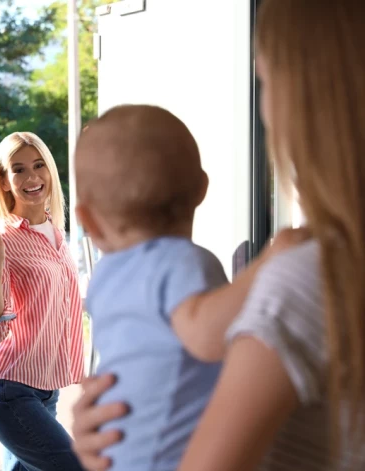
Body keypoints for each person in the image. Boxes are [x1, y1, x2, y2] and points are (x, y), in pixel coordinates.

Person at [71, 1, 365, 470]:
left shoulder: (307, 278)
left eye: (265, 81)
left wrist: (101, 449)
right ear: (201, 190)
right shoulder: (197, 263)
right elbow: (204, 337)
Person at [73, 104, 303, 471]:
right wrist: (268, 264)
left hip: (117, 449)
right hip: (166, 455)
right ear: (201, 189)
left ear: (87, 220)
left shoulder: (104, 278)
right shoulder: (181, 261)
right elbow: (207, 335)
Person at [0, 132, 85, 471]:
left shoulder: (57, 235)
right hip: (8, 391)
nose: (32, 177)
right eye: (18, 169)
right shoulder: (2, 239)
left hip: (47, 391)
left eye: (39, 165)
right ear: (3, 181)